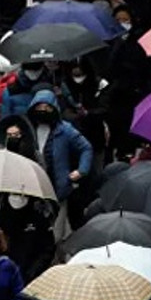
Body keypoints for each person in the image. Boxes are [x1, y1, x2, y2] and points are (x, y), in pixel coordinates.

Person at [25, 90, 93, 242]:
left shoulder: (65, 130)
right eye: (39, 107)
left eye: (47, 108)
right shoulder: (27, 130)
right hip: (33, 189)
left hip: (58, 191)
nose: (43, 111)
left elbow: (85, 148)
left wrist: (81, 170)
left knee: (56, 233)